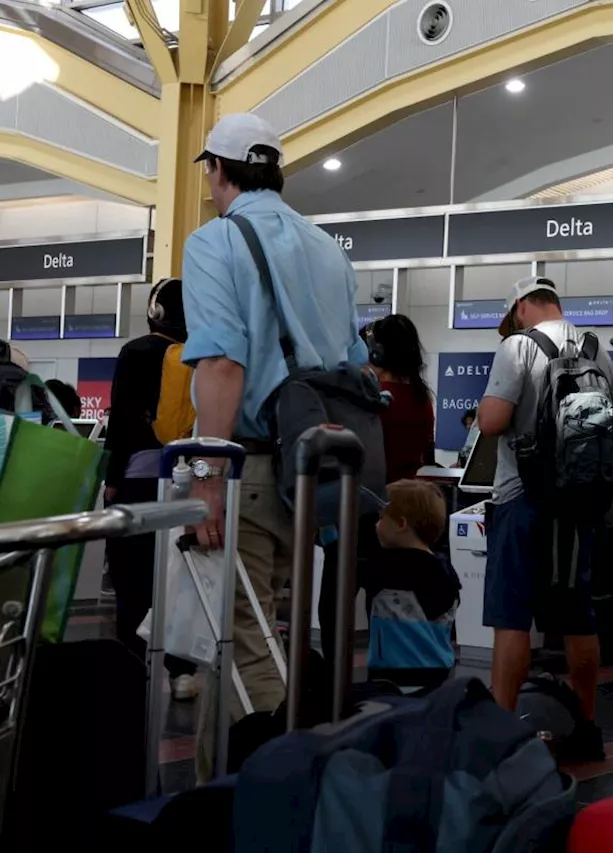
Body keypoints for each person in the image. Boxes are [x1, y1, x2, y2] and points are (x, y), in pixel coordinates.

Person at [181, 112, 367, 781]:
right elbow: (353, 363)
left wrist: (206, 475)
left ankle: (280, 792)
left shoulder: (215, 242)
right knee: (248, 639)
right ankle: (214, 791)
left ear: (216, 172)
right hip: (311, 472)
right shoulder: (327, 249)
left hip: (252, 468)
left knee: (244, 645)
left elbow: (223, 364)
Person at [477, 276, 613, 760]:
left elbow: (492, 421)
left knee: (512, 617)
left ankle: (502, 736)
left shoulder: (517, 347)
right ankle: (586, 728)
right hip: (579, 503)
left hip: (521, 497)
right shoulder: (596, 349)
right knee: (577, 615)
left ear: (521, 307)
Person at [102, 278, 198, 700]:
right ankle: (182, 672)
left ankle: (130, 664)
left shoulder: (136, 352)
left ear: (156, 311)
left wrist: (112, 479)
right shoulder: (203, 353)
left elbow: (121, 421)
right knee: (182, 579)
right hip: (190, 480)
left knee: (131, 577)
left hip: (138, 481)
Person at [364, 479, 460, 695]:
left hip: (393, 679)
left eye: (381, 518)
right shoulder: (444, 569)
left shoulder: (387, 567)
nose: (376, 524)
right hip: (438, 675)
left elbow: (346, 566)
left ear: (401, 524)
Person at [363, 314, 436, 480]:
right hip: (407, 492)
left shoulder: (371, 397)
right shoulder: (422, 397)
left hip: (372, 495)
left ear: (375, 354)